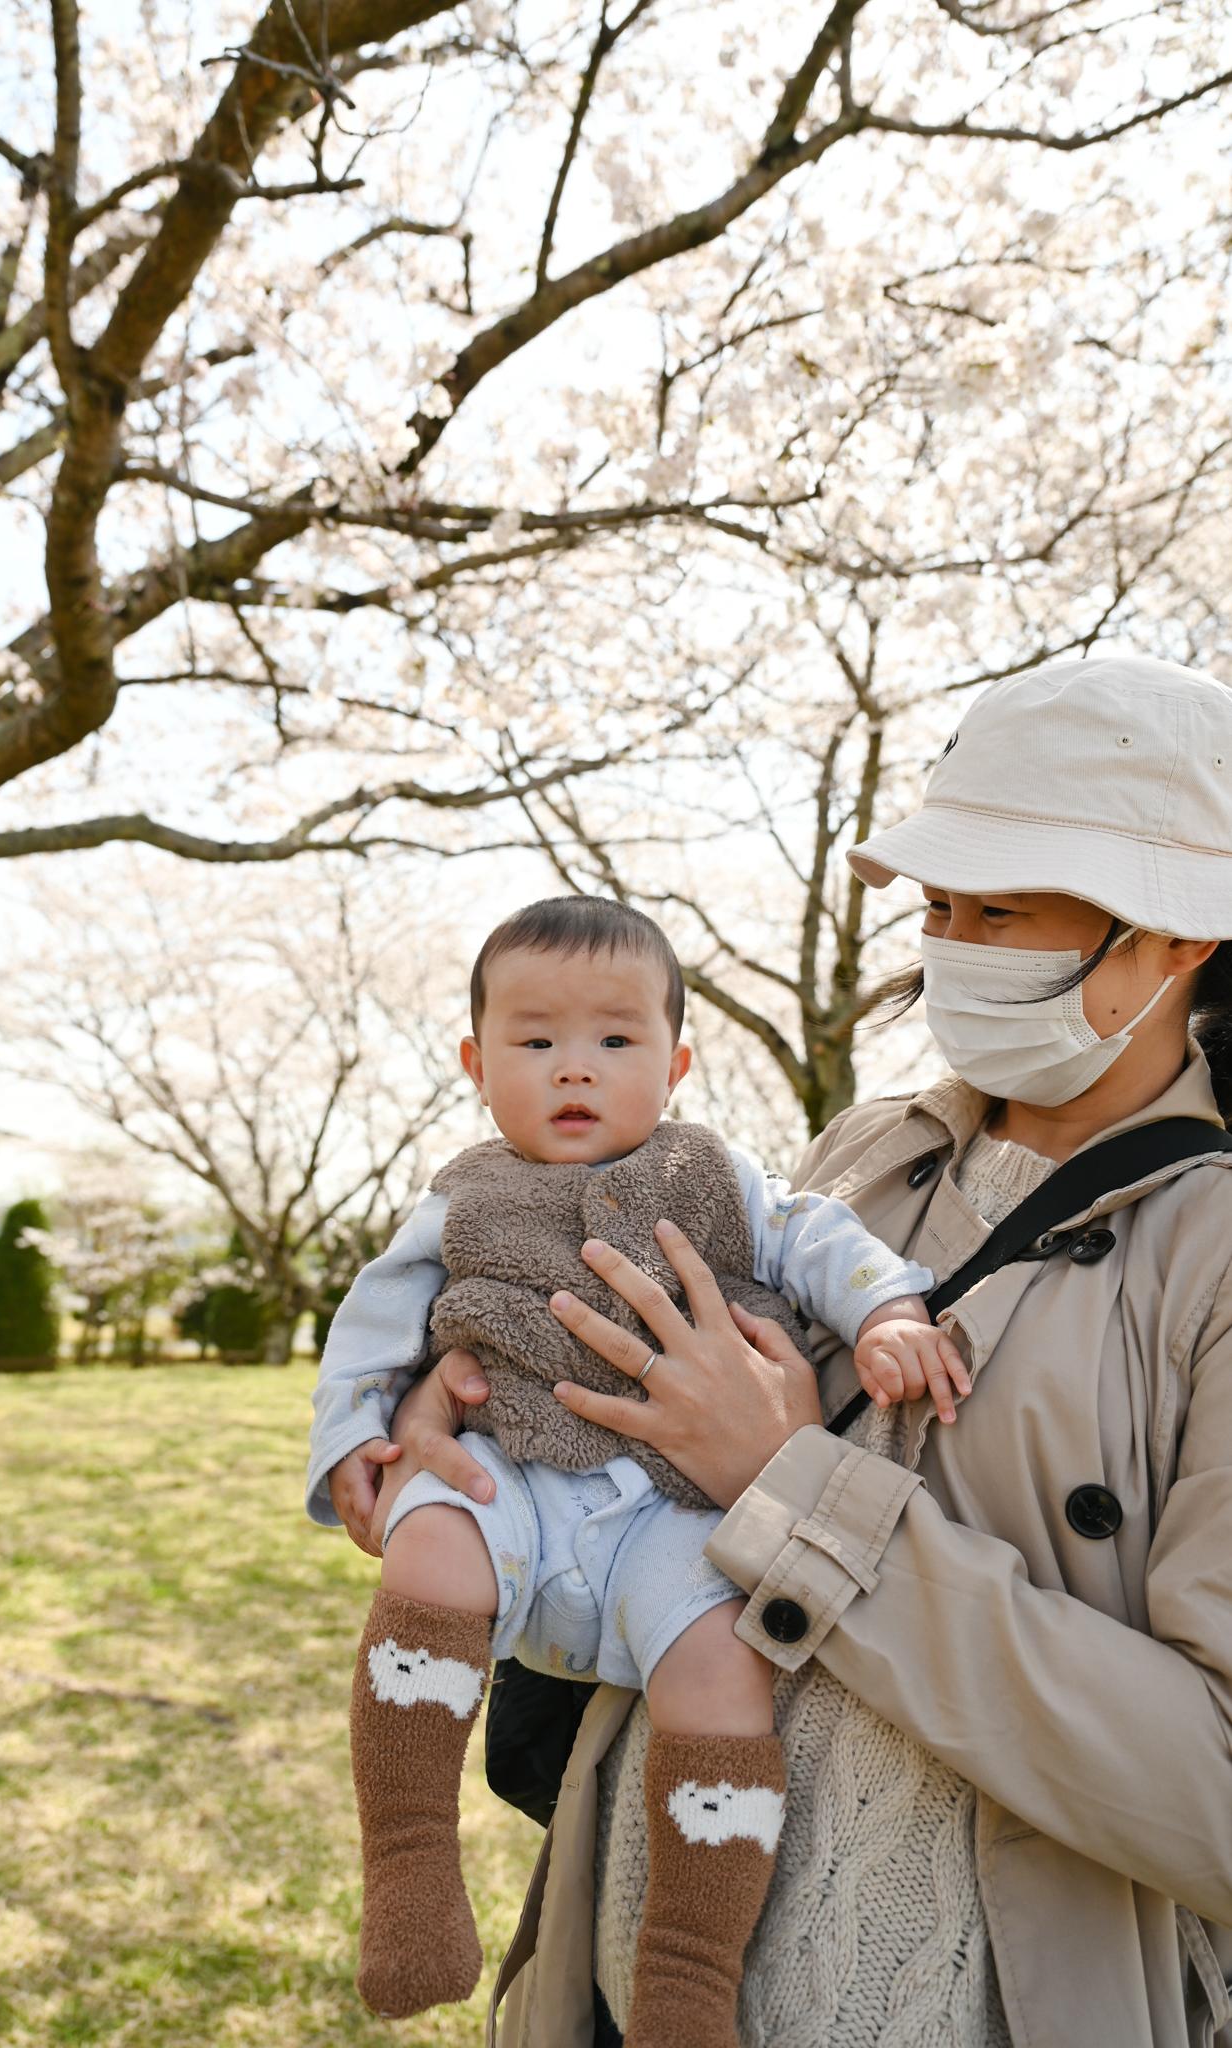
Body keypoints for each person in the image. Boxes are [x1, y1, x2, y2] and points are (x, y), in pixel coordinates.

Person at [365, 652, 1232, 2048]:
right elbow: (630, 1391)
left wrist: (792, 1490)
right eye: (936, 904)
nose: (948, 942)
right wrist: (449, 1400)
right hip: (635, 1958)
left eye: (999, 910)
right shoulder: (860, 1156)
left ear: (1175, 937)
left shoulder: (1211, 1251)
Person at [307, 897, 970, 2041]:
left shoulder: (716, 1174)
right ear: (474, 1063)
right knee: (430, 1538)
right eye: (534, 1039)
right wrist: (356, 1439)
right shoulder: (462, 1194)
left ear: (676, 1062)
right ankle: (410, 1863)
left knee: (724, 1667)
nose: (575, 1066)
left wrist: (886, 1313)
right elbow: (374, 1320)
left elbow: (818, 1238)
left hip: (673, 1508)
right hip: (508, 1472)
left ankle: (685, 1972)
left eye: (615, 1039)